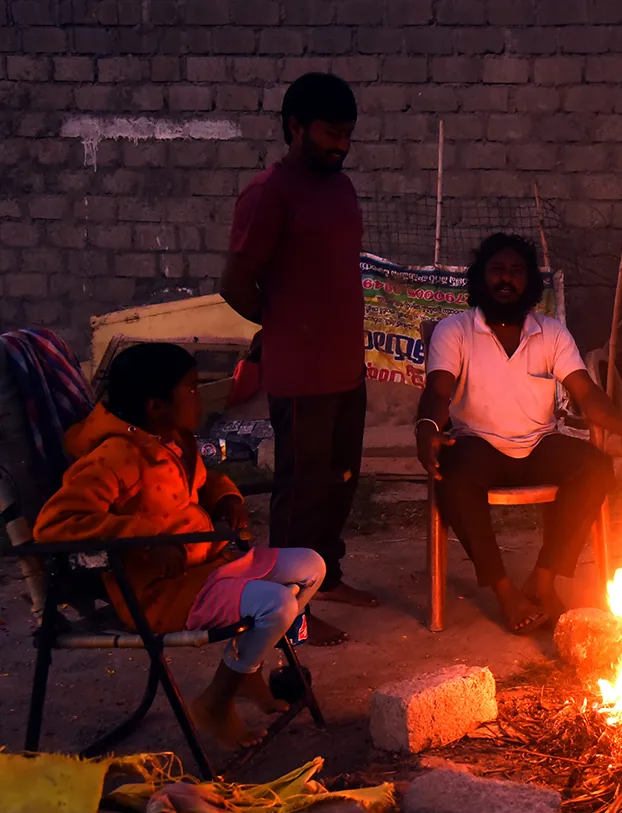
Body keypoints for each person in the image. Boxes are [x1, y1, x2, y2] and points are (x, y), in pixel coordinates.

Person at [34, 343, 328, 750]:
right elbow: (54, 525)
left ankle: (245, 670)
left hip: (209, 565)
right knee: (277, 605)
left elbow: (204, 483)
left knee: (311, 565)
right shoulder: (113, 458)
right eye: (191, 388)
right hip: (161, 593)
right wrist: (149, 538)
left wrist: (226, 498)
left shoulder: (175, 440)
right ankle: (215, 701)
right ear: (156, 405)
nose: (200, 395)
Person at [416, 233, 622, 633]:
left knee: (596, 467)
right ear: (480, 277)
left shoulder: (550, 332)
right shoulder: (454, 330)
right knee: (453, 474)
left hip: (538, 444)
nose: (506, 280)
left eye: (516, 272)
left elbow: (587, 393)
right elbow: (437, 391)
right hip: (476, 446)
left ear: (530, 282)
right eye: (497, 270)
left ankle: (543, 579)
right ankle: (504, 592)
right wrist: (427, 427)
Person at [220, 72, 372, 646]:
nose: (342, 146)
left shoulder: (342, 188)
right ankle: (286, 610)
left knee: (340, 483)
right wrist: (281, 323)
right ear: (294, 127)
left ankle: (325, 581)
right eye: (332, 133)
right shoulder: (268, 193)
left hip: (345, 369)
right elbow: (235, 283)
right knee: (299, 489)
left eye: (348, 135)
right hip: (300, 375)